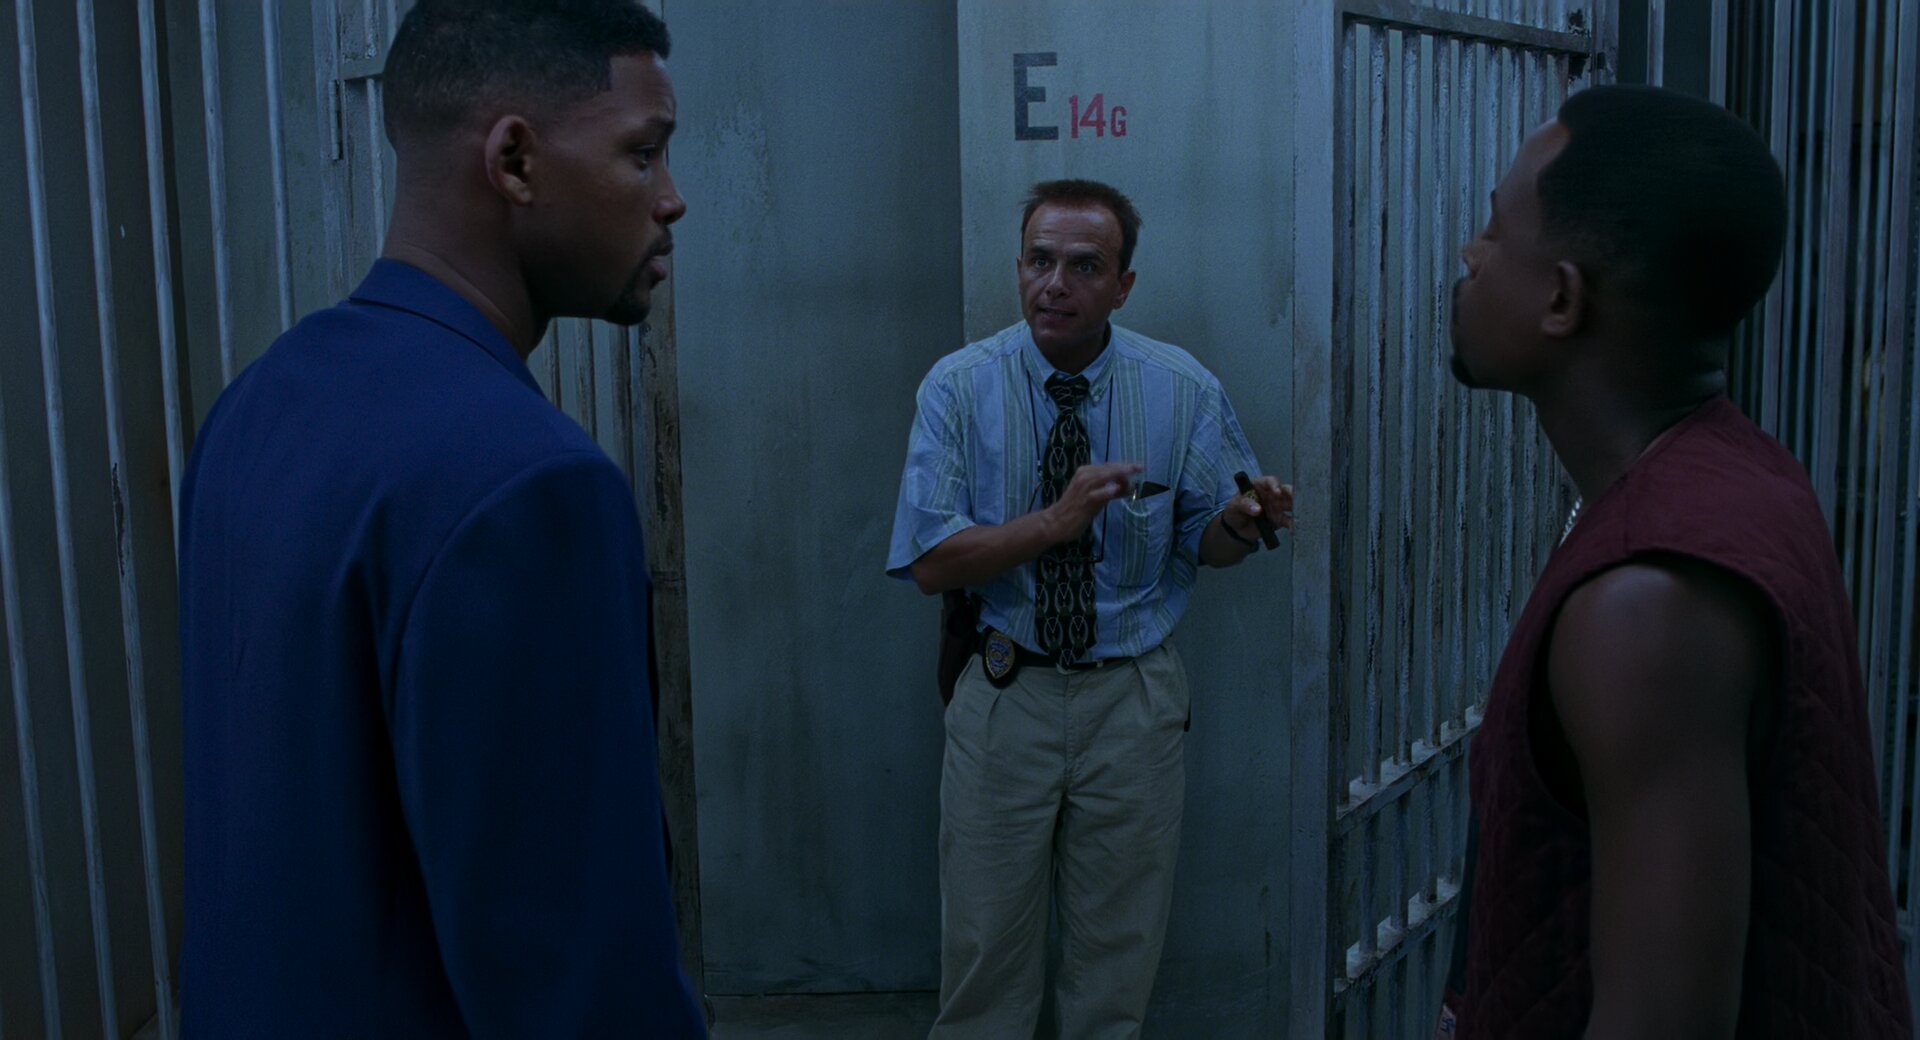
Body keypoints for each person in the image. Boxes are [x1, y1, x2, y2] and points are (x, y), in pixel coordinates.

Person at [175, 2, 702, 1035]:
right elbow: (575, 975)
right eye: (643, 154)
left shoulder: (256, 405)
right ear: (515, 161)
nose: (671, 198)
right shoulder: (532, 484)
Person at [1443, 85, 1910, 1037]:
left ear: (1562, 299)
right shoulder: (1746, 470)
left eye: (1494, 229)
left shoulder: (1645, 600)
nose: (1470, 254)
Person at [887, 179, 1294, 1037]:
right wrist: (1055, 522)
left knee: (1116, 964)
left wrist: (1240, 521)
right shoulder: (960, 388)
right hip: (1007, 694)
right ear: (1018, 267)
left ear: (1122, 286)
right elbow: (929, 562)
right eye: (1039, 261)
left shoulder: (1179, 388)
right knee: (985, 962)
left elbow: (1212, 543)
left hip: (1133, 702)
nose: (1055, 284)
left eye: (1084, 266)